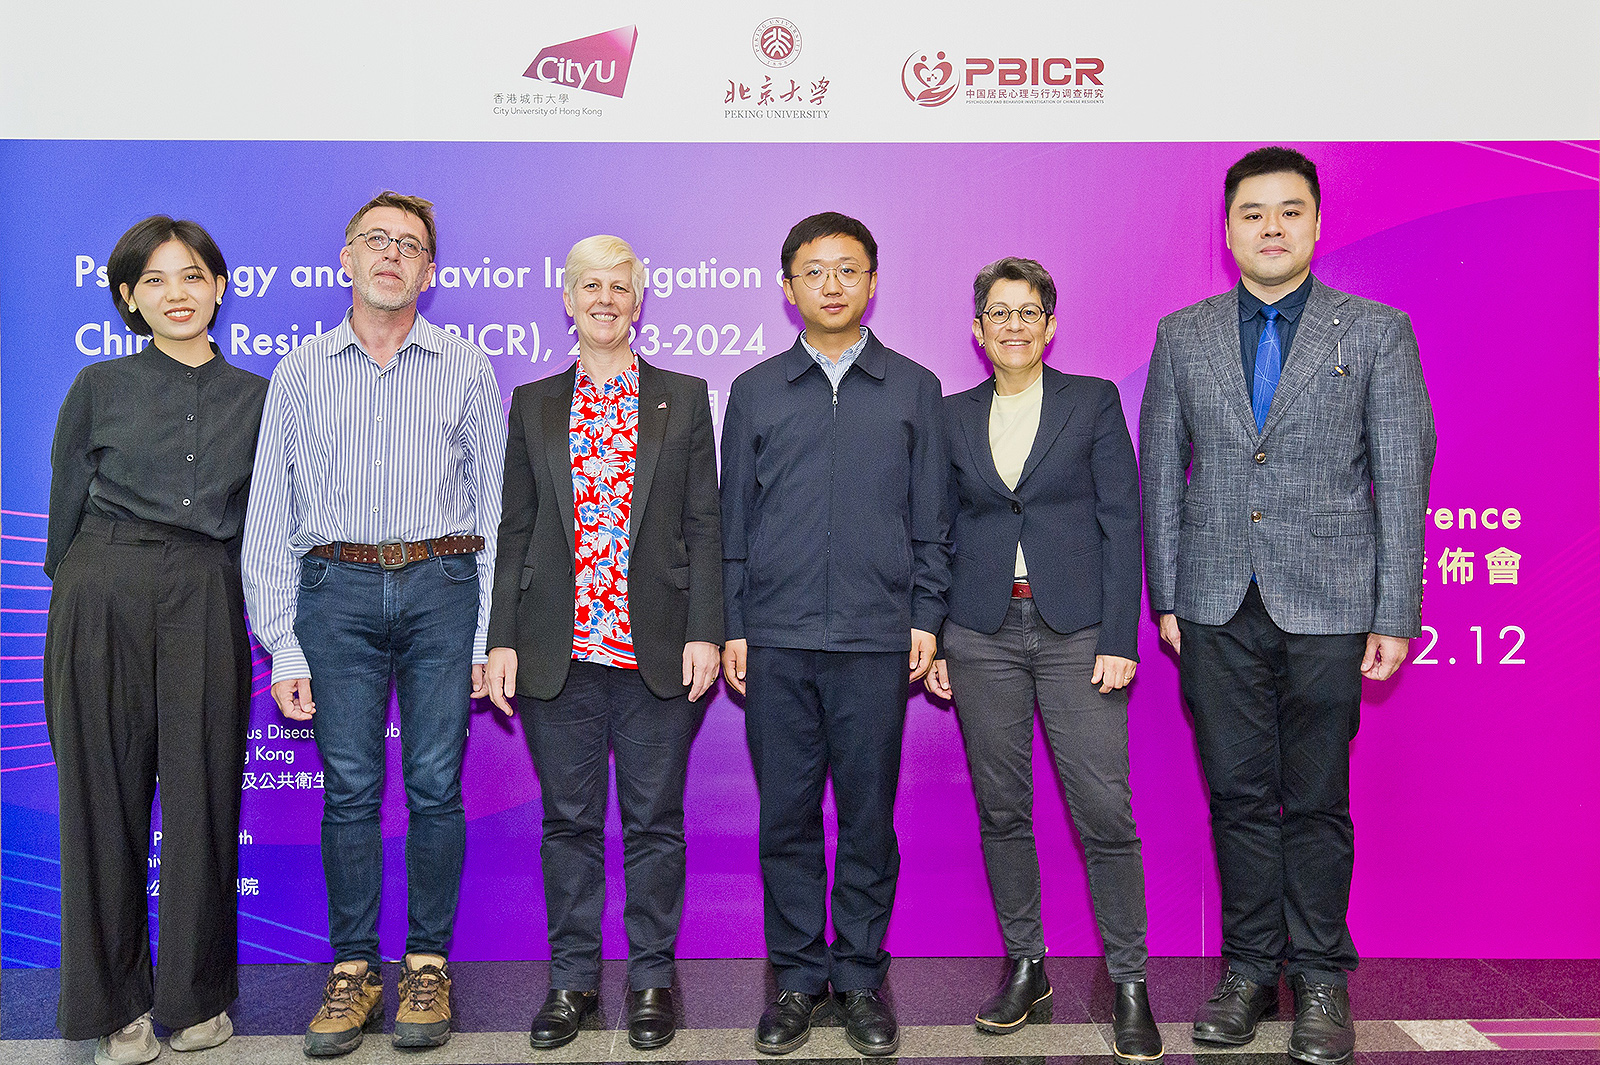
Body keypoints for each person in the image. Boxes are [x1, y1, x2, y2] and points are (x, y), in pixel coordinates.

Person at [1139, 146, 1435, 1065]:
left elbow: (1403, 472)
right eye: (1252, 213)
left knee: (1315, 799)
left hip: (1331, 600)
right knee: (1236, 795)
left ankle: (1319, 978)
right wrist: (1170, 598)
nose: (1270, 227)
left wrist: (1394, 611)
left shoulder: (1376, 330)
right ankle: (1246, 970)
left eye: (1289, 211)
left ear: (1315, 223)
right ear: (1226, 230)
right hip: (1217, 602)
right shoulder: (1183, 333)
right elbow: (1162, 472)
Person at [241, 191, 506, 1056]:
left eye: (411, 246)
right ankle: (352, 968)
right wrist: (283, 636)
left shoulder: (466, 367)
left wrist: (481, 635)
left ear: (430, 272)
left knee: (434, 785)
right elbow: (271, 513)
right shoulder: (300, 369)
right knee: (351, 791)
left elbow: (498, 512)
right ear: (346, 258)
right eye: (377, 240)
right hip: (334, 594)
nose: (393, 254)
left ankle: (427, 961)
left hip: (443, 587)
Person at [483, 235, 723, 1051]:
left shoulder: (684, 398)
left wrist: (705, 629)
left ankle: (652, 977)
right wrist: (501, 640)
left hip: (657, 649)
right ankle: (573, 980)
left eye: (620, 286)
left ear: (640, 298)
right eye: (591, 285)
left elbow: (705, 525)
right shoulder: (535, 401)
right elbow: (514, 529)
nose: (606, 298)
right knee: (569, 824)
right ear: (568, 298)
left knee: (656, 822)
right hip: (559, 653)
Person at [720, 212, 949, 1057]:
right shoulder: (753, 390)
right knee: (784, 816)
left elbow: (933, 517)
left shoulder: (914, 386)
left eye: (847, 269)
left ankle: (858, 978)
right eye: (813, 272)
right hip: (775, 638)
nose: (831, 284)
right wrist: (735, 624)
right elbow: (732, 524)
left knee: (865, 817)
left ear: (872, 281)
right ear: (788, 289)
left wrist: (926, 615)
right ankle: (794, 980)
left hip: (875, 638)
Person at [926, 257, 1161, 1063]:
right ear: (977, 328)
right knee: (1003, 809)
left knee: (1105, 812)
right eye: (999, 312)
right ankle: (1028, 964)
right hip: (981, 634)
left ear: (1051, 326)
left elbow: (1121, 518)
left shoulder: (1091, 401)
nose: (1015, 325)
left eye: (1030, 312)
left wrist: (1120, 636)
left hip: (1075, 634)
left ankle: (1129, 979)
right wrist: (939, 633)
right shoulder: (952, 416)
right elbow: (938, 531)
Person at [44, 216, 267, 1065]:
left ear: (218, 286)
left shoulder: (259, 396)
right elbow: (63, 514)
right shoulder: (96, 385)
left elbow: (266, 520)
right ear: (130, 297)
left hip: (209, 590)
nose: (177, 292)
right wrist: (85, 598)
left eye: (193, 275)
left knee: (207, 793)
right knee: (101, 802)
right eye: (156, 280)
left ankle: (196, 997)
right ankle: (115, 1009)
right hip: (100, 587)